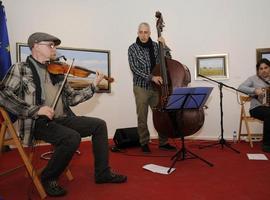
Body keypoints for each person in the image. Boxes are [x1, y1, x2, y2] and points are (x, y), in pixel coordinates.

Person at [0, 32, 127, 197]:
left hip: (61, 119)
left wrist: (93, 86)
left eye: (55, 46)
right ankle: (48, 178)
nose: (54, 49)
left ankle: (102, 173)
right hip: (37, 122)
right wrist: (35, 110)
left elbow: (73, 99)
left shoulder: (57, 72)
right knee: (71, 137)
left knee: (99, 125)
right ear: (36, 46)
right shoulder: (20, 69)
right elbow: (3, 95)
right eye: (50, 45)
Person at [128, 22, 177, 153]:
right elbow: (135, 69)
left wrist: (164, 45)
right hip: (141, 87)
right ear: (138, 33)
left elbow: (168, 60)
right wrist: (151, 77)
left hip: (157, 88)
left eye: (146, 32)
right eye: (141, 32)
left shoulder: (156, 46)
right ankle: (144, 142)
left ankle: (163, 142)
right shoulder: (132, 49)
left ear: (150, 33)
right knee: (142, 116)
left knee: (161, 115)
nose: (143, 35)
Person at [238, 58, 270, 153]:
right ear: (258, 70)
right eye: (261, 68)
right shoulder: (253, 79)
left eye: (266, 67)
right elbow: (240, 87)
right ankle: (267, 144)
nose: (263, 70)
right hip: (256, 108)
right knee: (269, 113)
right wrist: (254, 90)